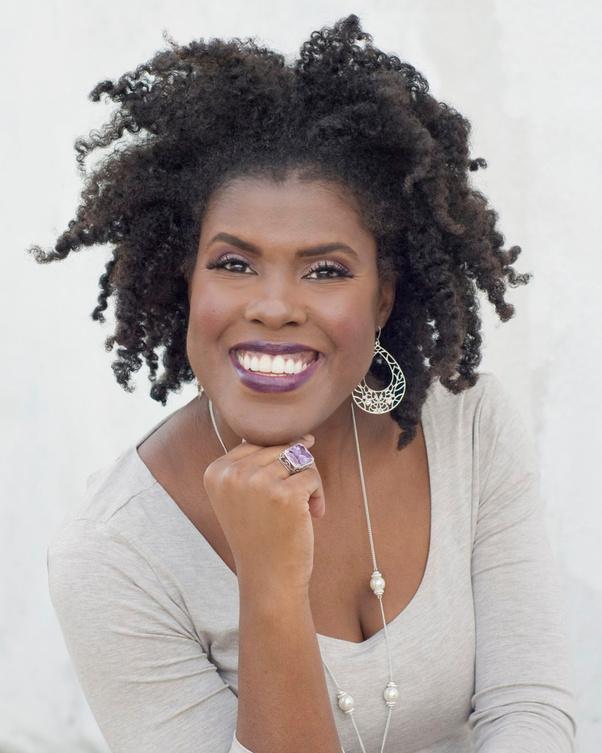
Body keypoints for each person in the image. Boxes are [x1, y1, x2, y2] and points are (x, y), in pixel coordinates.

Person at [29, 14, 577, 753]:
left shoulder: (467, 426)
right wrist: (270, 583)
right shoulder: (114, 555)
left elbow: (529, 709)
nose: (275, 306)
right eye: (234, 263)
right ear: (186, 281)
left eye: (325, 270)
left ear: (383, 298)